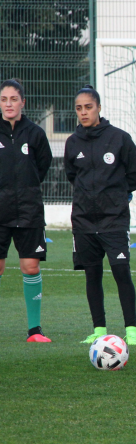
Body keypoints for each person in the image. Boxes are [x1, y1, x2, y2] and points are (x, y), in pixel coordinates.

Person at [65, 85, 136, 345]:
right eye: (79, 108)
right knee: (92, 274)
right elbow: (72, 176)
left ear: (98, 107)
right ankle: (99, 329)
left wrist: (119, 195)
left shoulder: (119, 138)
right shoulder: (72, 142)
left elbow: (135, 173)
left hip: (114, 219)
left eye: (88, 107)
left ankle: (131, 329)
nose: (84, 112)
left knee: (121, 271)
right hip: (84, 220)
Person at [0, 78, 53, 342]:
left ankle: (34, 330)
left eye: (13, 99)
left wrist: (25, 191)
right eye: (4, 99)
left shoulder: (35, 133)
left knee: (31, 267)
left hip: (29, 211)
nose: (8, 104)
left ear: (23, 102)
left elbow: (41, 167)